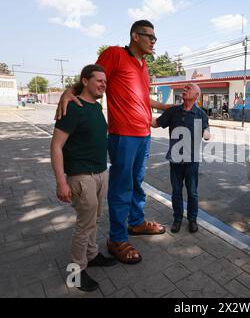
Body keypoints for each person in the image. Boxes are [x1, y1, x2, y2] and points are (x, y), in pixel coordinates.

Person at [55, 20, 169, 265]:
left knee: (137, 183)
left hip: (144, 135)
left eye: (155, 38)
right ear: (134, 36)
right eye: (149, 36)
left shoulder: (143, 65)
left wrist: (167, 107)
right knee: (121, 187)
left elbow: (142, 98)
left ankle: (136, 223)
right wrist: (69, 92)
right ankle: (116, 239)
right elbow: (91, 78)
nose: (153, 41)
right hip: (123, 135)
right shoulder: (115, 54)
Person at [50, 65, 117, 292]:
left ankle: (92, 254)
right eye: (98, 80)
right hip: (81, 177)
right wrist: (61, 182)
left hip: (100, 173)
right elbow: (56, 146)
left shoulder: (96, 107)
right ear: (85, 81)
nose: (103, 85)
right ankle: (75, 273)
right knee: (84, 225)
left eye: (105, 82)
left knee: (94, 220)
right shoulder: (73, 107)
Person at [152, 83, 210, 233]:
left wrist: (206, 133)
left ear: (196, 96)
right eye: (184, 88)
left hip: (191, 161)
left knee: (192, 192)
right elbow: (155, 123)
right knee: (176, 191)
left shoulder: (200, 114)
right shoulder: (173, 111)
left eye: (189, 88)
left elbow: (206, 128)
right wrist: (136, 109)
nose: (185, 89)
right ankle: (177, 219)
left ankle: (192, 220)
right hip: (175, 160)